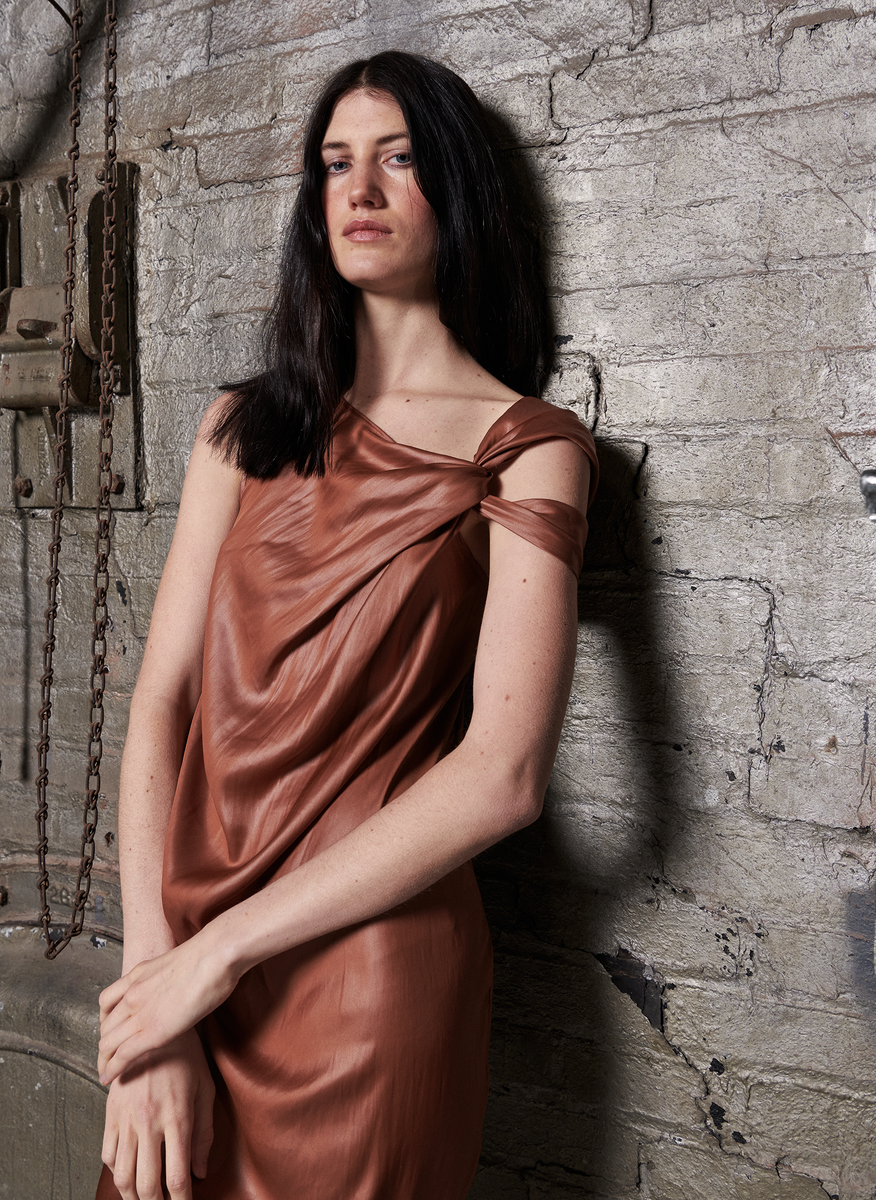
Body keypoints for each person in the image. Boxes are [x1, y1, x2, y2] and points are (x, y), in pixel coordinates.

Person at [95, 50, 598, 1200]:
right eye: (335, 163)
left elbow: (504, 776)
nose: (359, 190)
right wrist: (154, 989)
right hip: (186, 951)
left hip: (369, 979)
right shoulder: (242, 427)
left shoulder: (529, 447)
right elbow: (162, 703)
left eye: (400, 158)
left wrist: (216, 958)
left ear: (458, 191)